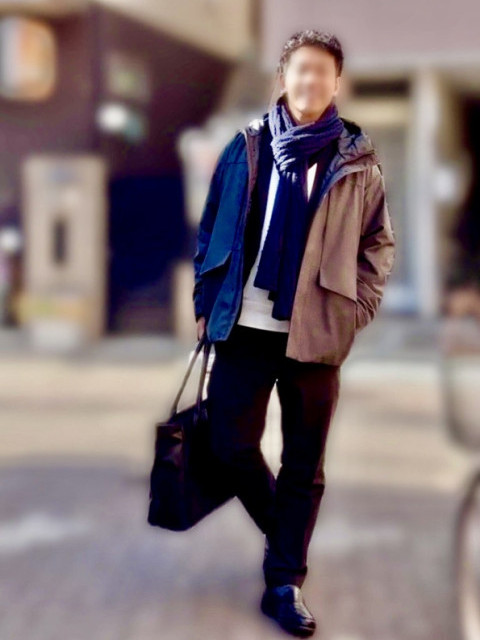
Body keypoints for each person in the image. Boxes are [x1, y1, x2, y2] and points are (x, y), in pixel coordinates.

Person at [192, 29, 395, 637]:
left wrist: (355, 309)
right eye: (301, 69)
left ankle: (284, 582)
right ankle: (287, 533)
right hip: (245, 325)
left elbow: (377, 244)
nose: (311, 80)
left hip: (316, 332)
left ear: (337, 83)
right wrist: (206, 300)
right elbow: (211, 227)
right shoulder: (246, 146)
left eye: (322, 71)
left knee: (304, 464)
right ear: (284, 78)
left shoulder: (357, 161)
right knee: (229, 445)